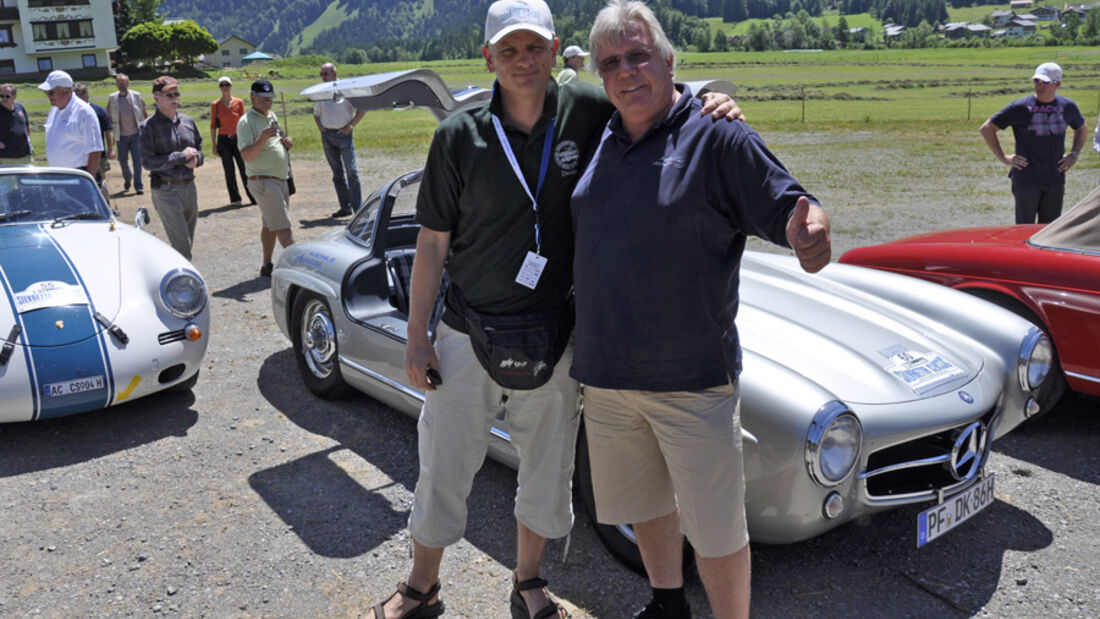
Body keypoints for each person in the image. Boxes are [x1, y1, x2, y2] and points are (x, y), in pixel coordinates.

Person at [368, 1, 740, 617]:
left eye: (534, 48)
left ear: (554, 50)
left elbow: (654, 97)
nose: (522, 61)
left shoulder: (590, 110)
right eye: (508, 50)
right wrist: (417, 337)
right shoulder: (458, 136)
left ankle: (530, 580)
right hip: (466, 329)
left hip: (558, 334)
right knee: (443, 465)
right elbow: (431, 244)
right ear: (487, 57)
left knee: (547, 468)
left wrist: (707, 99)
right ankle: (421, 585)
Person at [570, 2, 831, 617]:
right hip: (607, 377)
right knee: (645, 502)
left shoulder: (718, 134)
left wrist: (810, 230)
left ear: (668, 60)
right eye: (611, 62)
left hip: (692, 378)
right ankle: (666, 601)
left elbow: (792, 205)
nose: (627, 71)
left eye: (639, 55)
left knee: (716, 529)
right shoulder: (598, 136)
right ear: (600, 76)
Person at [979, 62, 1088, 224]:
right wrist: (1004, 158)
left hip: (1054, 178)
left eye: (1045, 82)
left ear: (1057, 84)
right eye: (1036, 81)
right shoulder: (1020, 107)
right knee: (1024, 229)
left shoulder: (1068, 107)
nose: (1039, 86)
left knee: (1049, 231)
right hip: (1026, 179)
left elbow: (1082, 129)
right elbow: (987, 128)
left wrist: (1074, 153)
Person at [140, 76, 204, 260]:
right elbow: (148, 162)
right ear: (156, 97)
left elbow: (199, 150)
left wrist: (196, 159)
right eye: (169, 94)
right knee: (182, 245)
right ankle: (186, 285)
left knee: (187, 242)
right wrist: (180, 157)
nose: (174, 98)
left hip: (189, 187)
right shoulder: (147, 127)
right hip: (166, 190)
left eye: (176, 93)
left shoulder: (188, 122)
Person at [237, 79, 295, 277]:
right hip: (263, 181)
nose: (267, 102)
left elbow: (279, 139)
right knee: (284, 228)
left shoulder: (272, 116)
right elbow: (246, 156)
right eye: (263, 99)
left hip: (280, 178)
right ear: (252, 97)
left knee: (270, 225)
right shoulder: (245, 122)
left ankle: (266, 265)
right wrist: (262, 139)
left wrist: (286, 142)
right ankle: (299, 268)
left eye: (270, 99)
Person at [313, 62, 365, 218]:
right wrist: (320, 127)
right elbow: (316, 113)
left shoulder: (346, 90)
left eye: (326, 73)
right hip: (327, 136)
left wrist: (351, 126)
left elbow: (362, 110)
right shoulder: (320, 92)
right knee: (337, 174)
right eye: (321, 74)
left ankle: (358, 209)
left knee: (352, 172)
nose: (323, 77)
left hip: (344, 135)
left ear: (335, 74)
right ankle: (345, 207)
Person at [39, 70, 103, 174]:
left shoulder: (84, 113)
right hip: (58, 175)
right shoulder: (54, 109)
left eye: (51, 93)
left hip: (78, 175)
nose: (48, 96)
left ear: (67, 92)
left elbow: (95, 152)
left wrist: (88, 182)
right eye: (46, 92)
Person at [210, 76, 255, 206]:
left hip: (238, 139)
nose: (225, 87)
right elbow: (213, 125)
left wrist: (249, 139)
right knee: (229, 170)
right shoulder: (216, 105)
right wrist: (214, 144)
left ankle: (253, 197)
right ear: (219, 87)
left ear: (231, 86)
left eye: (227, 85)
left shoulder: (239, 102)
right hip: (223, 140)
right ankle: (235, 199)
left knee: (244, 168)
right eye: (222, 85)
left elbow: (244, 122)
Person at [107, 73, 148, 194]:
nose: (122, 84)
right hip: (121, 136)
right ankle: (128, 177)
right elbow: (108, 117)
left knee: (137, 161)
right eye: (119, 82)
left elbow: (144, 112)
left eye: (124, 82)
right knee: (122, 160)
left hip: (136, 134)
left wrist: (147, 128)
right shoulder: (112, 98)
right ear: (116, 84)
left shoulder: (136, 96)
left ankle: (138, 186)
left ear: (128, 83)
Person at [73, 82, 114, 189]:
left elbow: (108, 130)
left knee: (102, 181)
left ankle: (105, 203)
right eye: (75, 94)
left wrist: (111, 149)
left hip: (100, 154)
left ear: (87, 93)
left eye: (80, 94)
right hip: (81, 156)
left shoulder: (98, 110)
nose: (78, 97)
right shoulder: (74, 112)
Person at [0, 83, 32, 165]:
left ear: (14, 96)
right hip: (6, 157)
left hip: (25, 155)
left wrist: (27, 140)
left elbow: (27, 126)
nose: (4, 98)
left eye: (7, 96)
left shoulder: (20, 107)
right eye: (1, 96)